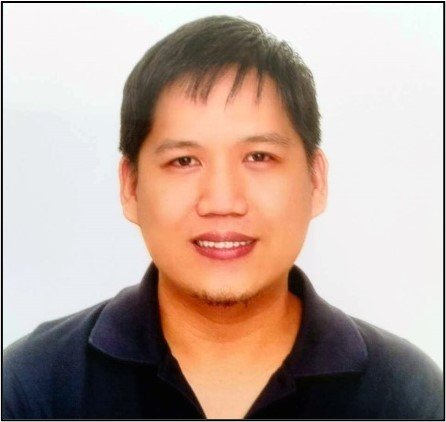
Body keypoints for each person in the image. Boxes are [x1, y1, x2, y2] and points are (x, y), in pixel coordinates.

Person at [3, 15, 443, 420]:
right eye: (184, 161)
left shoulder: (405, 394)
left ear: (316, 180)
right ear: (130, 186)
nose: (222, 200)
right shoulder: (34, 386)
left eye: (259, 156)